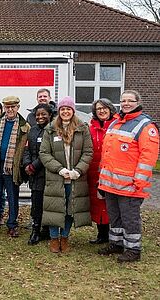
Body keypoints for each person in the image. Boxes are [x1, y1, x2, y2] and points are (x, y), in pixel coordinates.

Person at [98, 90, 159, 263]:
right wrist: (102, 182)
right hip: (110, 184)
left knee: (129, 218)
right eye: (123, 100)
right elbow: (107, 154)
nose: (125, 104)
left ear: (138, 102)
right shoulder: (115, 122)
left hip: (130, 185)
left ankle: (133, 249)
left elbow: (148, 157)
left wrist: (138, 182)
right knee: (114, 216)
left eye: (130, 101)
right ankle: (116, 243)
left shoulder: (146, 126)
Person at [39, 96, 93, 253]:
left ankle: (65, 237)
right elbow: (44, 153)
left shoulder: (82, 129)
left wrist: (78, 171)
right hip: (56, 177)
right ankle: (54, 238)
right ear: (59, 111)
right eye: (63, 109)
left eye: (68, 109)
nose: (65, 112)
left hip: (76, 178)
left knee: (70, 209)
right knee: (55, 209)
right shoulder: (50, 129)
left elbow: (88, 152)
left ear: (73, 111)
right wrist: (60, 169)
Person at [0, 96, 30, 237]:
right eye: (7, 107)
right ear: (4, 108)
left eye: (13, 107)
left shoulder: (24, 127)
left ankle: (12, 225)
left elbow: (28, 148)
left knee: (13, 198)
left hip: (12, 168)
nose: (10, 109)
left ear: (18, 108)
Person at [87, 98, 117, 244]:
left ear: (110, 109)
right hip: (93, 171)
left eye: (104, 108)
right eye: (98, 109)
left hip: (112, 171)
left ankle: (115, 235)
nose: (102, 111)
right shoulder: (90, 128)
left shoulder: (117, 126)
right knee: (98, 204)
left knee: (111, 204)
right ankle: (102, 235)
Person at [23, 103, 53, 245]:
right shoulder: (33, 130)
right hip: (34, 175)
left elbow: (47, 153)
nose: (40, 117)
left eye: (43, 114)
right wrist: (27, 164)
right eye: (38, 115)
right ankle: (35, 230)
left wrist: (34, 166)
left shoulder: (53, 131)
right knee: (36, 204)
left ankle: (46, 230)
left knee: (47, 204)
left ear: (50, 115)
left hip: (47, 173)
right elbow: (27, 149)